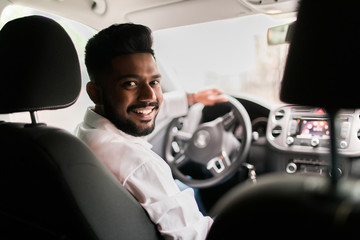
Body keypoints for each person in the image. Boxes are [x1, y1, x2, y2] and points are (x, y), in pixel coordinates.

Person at [75, 23, 227, 240]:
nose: (150, 96)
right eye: (130, 84)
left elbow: (141, 106)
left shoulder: (86, 131)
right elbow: (195, 236)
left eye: (154, 82)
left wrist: (191, 98)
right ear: (95, 93)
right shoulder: (139, 164)